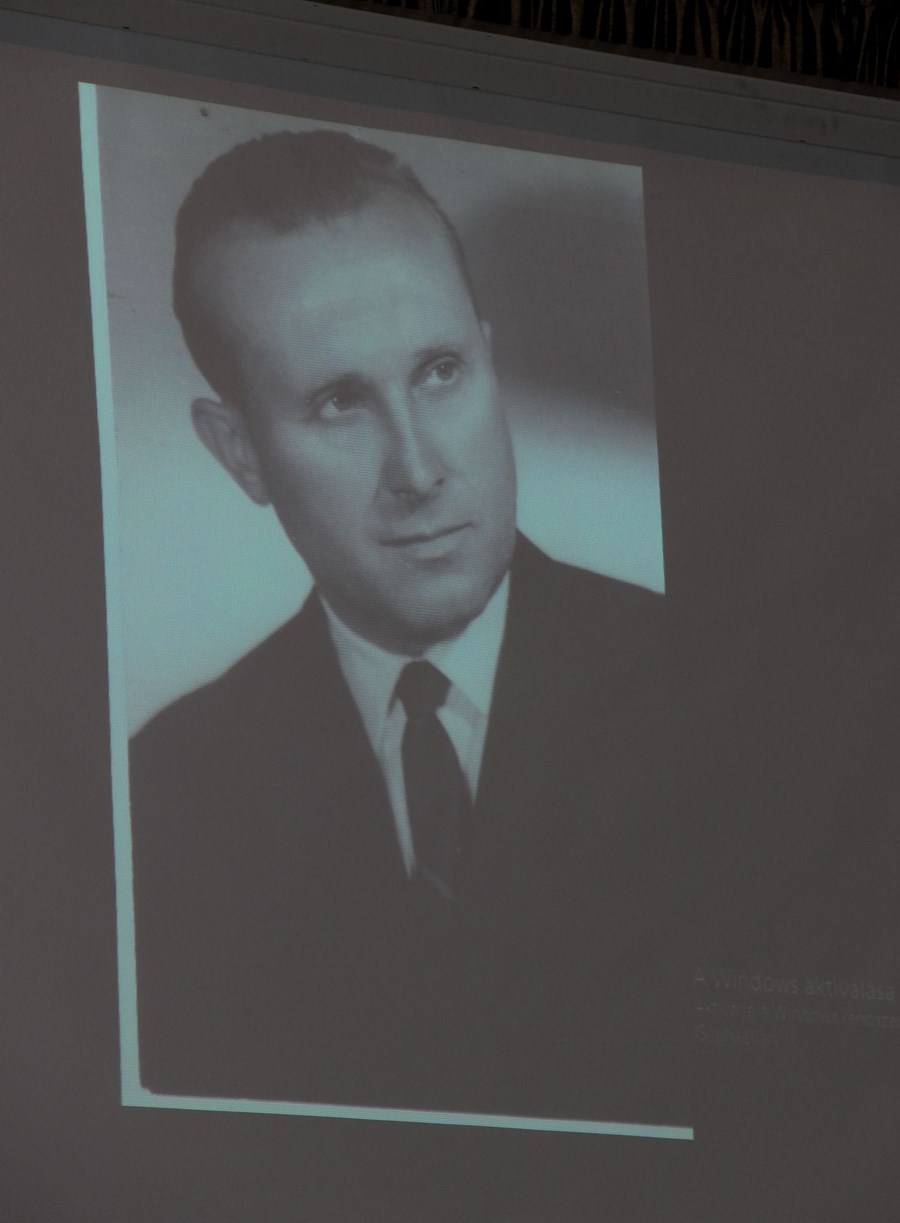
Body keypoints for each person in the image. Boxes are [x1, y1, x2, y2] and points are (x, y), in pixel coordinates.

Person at [130, 129, 691, 1121]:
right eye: (339, 401)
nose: (420, 468)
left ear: (490, 360)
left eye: (439, 371)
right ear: (239, 453)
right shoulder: (166, 796)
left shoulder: (717, 694)